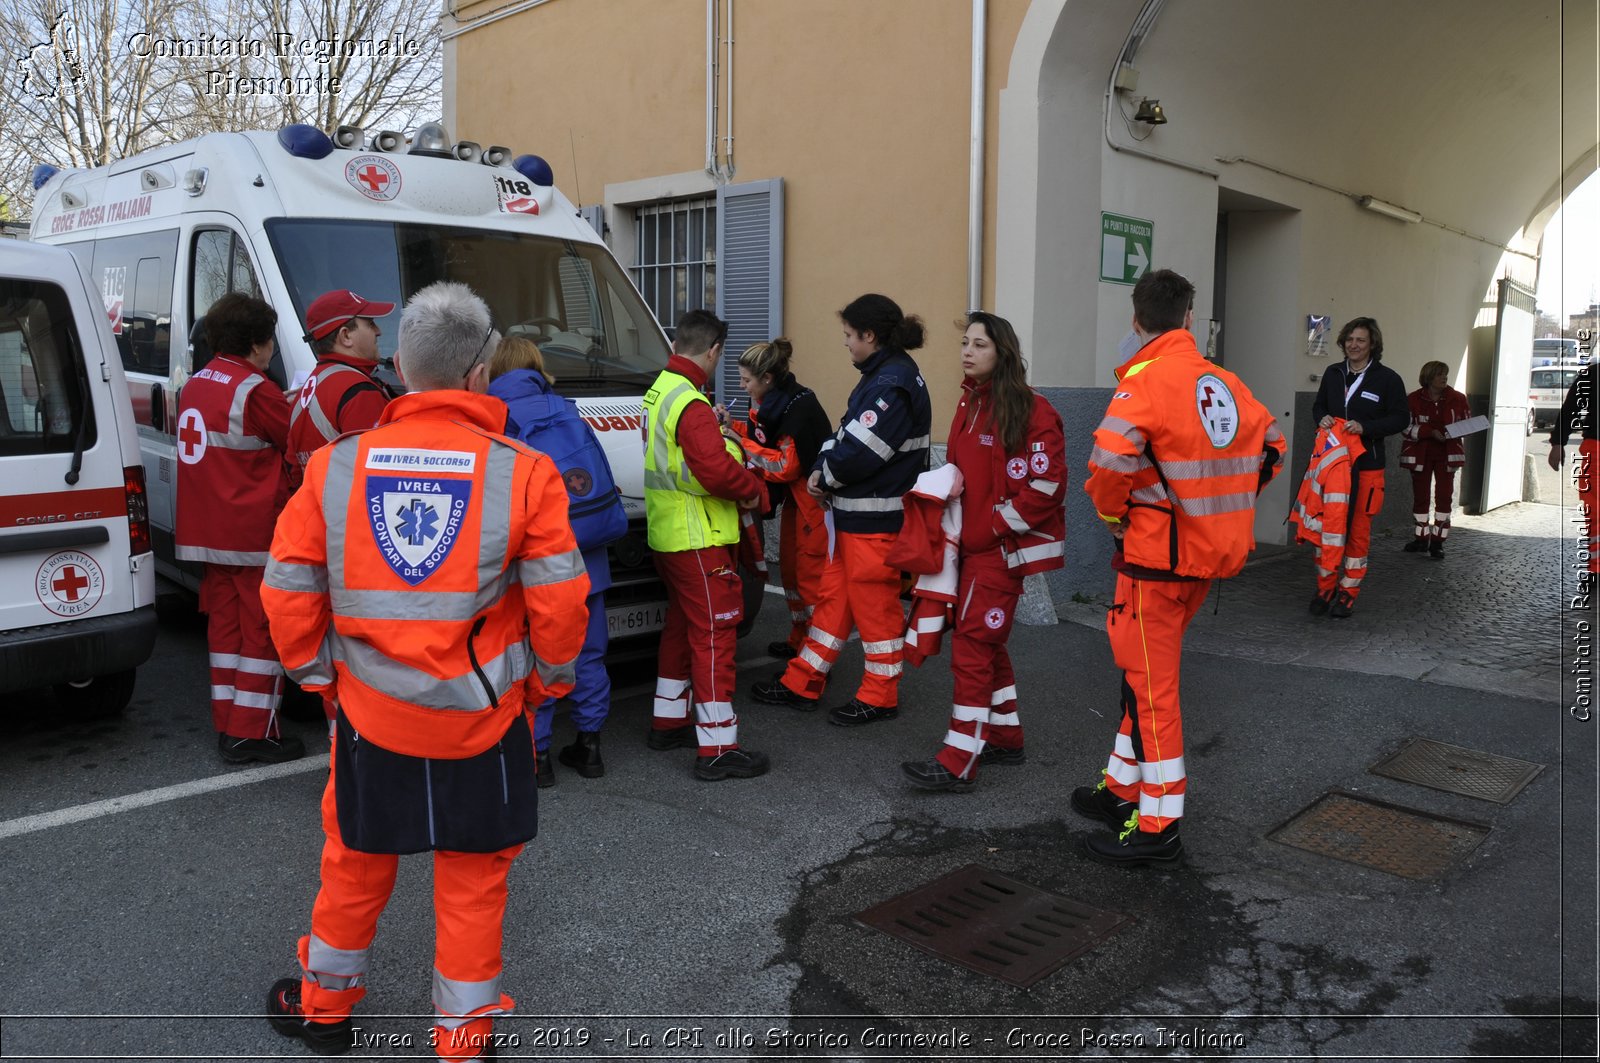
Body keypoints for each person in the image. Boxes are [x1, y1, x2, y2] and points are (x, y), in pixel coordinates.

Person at [260, 282, 590, 1060]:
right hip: (483, 718)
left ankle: (325, 1011)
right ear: (480, 374)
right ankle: (463, 1041)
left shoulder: (338, 466)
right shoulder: (523, 472)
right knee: (474, 883)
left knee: (354, 860)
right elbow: (561, 605)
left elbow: (286, 588)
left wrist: (320, 680)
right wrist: (545, 686)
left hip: (371, 718)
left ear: (402, 367)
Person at [1077, 269, 1285, 867]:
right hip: (1201, 563)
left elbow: (1107, 473)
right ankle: (1121, 791)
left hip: (1152, 566)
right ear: (1190, 318)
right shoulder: (1226, 382)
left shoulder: (1142, 383)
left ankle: (1158, 826)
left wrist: (1123, 517)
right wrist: (1219, 508)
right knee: (1140, 679)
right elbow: (1271, 447)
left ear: (1136, 320)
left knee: (1152, 693)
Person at [900, 312, 1064, 792]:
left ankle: (958, 760)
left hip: (999, 553)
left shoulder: (1035, 410)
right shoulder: (968, 404)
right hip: (970, 553)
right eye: (965, 343)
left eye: (980, 345)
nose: (967, 352)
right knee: (984, 646)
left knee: (972, 649)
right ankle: (1004, 736)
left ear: (1003, 353)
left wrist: (992, 526)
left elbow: (1047, 486)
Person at [751, 294, 932, 725]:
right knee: (834, 601)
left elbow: (859, 452)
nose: (846, 344)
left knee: (875, 611)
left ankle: (880, 694)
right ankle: (803, 680)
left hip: (874, 521)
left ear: (869, 335)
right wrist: (823, 468)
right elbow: (842, 436)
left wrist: (822, 477)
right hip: (855, 519)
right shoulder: (882, 377)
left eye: (849, 336)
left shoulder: (891, 383)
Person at [488, 335, 624, 786]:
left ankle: (537, 755)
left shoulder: (494, 416)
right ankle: (590, 747)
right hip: (589, 552)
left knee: (534, 655)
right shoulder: (567, 409)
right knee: (589, 651)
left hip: (535, 560)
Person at [642, 309, 772, 780]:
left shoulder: (660, 391)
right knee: (715, 636)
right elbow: (713, 471)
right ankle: (717, 748)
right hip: (700, 537)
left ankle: (668, 721)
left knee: (680, 629)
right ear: (714, 349)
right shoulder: (692, 404)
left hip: (669, 534)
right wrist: (754, 488)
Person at [175, 292, 303, 764]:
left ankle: (228, 722)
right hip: (251, 533)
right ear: (257, 342)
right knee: (261, 634)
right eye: (269, 341)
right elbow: (296, 436)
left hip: (207, 531)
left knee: (225, 635)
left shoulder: (198, 382)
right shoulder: (257, 389)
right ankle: (252, 733)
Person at [725, 338, 832, 660]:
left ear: (767, 378)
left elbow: (785, 465)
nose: (742, 387)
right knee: (790, 572)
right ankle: (799, 639)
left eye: (746, 380)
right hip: (797, 501)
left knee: (810, 580)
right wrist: (733, 427)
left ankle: (816, 660)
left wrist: (740, 445)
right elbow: (764, 438)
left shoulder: (797, 408)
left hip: (813, 503)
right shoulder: (772, 400)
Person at [1308, 316, 1408, 617]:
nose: (1353, 345)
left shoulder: (1388, 379)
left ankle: (1348, 592)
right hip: (1331, 467)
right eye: (1349, 339)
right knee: (1326, 529)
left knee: (1357, 533)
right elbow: (1319, 406)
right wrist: (1321, 418)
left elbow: (1401, 419)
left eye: (1360, 340)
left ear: (1372, 344)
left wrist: (1367, 427)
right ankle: (1324, 589)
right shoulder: (1333, 373)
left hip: (1367, 467)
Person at [288, 289, 397, 480]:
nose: (378, 332)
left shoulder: (307, 389)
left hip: (317, 506)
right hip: (351, 508)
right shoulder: (359, 392)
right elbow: (382, 476)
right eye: (370, 324)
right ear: (345, 336)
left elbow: (293, 471)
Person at [1397, 360, 1471, 558]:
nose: (1444, 378)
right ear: (1429, 377)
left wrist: (1453, 431)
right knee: (1421, 498)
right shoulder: (1413, 399)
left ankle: (1438, 542)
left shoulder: (1458, 398)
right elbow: (1404, 427)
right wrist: (1429, 432)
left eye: (1445, 374)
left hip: (1447, 456)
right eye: (1439, 374)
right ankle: (1421, 538)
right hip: (1421, 454)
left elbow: (1467, 422)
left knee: (1444, 498)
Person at [1548, 358, 1598, 596]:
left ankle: (1595, 569)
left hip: (1594, 448)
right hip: (1596, 448)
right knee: (1595, 512)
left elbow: (1570, 408)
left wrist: (1558, 443)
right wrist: (1558, 442)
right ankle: (1595, 569)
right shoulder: (1594, 374)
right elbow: (1570, 409)